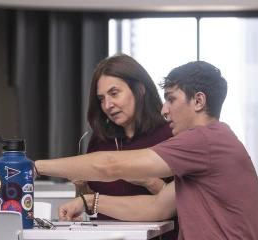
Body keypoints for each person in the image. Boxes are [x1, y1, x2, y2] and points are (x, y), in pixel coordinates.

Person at [35, 61, 258, 240]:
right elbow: (156, 207)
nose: (164, 109)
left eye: (171, 99)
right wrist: (88, 202)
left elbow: (111, 165)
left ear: (199, 101)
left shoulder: (203, 139)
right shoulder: (214, 143)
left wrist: (35, 166)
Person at [69, 53, 178, 239]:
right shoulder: (99, 138)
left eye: (114, 93)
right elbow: (92, 201)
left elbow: (184, 204)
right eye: (101, 98)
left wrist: (149, 181)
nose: (108, 105)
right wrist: (81, 186)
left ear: (140, 89)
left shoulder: (170, 134)